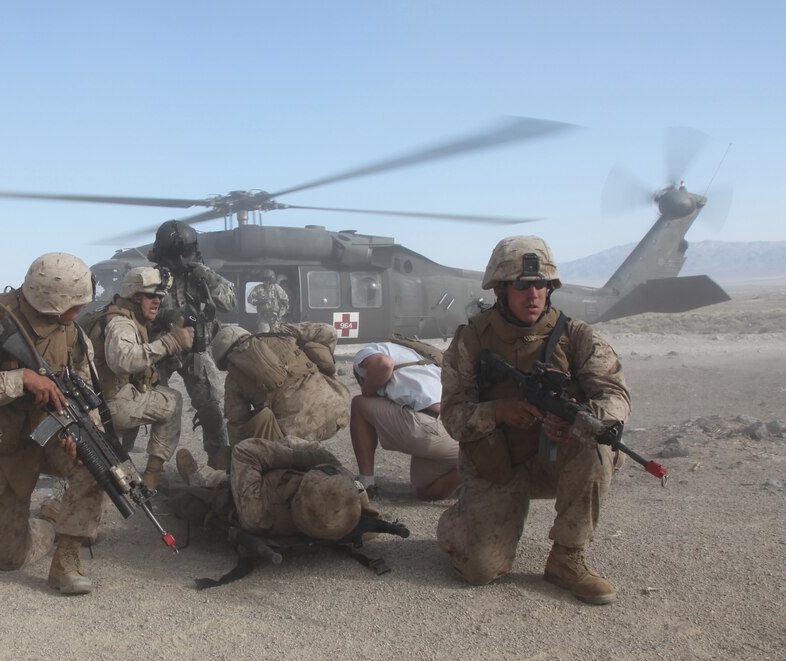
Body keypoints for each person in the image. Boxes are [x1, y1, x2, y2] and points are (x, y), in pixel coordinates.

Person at [436, 236, 631, 605]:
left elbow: (615, 394)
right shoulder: (472, 339)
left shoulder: (576, 335)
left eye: (541, 284)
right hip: (498, 464)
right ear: (501, 289)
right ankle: (461, 520)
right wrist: (498, 411)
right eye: (522, 285)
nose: (534, 294)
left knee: (599, 444)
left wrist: (580, 421)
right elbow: (452, 417)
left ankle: (567, 557)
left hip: (555, 460)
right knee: (479, 569)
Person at [0, 252, 105, 595]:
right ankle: (48, 519)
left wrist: (80, 433)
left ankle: (66, 558)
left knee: (98, 461)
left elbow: (84, 393)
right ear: (52, 302)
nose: (81, 312)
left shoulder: (74, 334)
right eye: (75, 306)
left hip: (46, 433)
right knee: (7, 559)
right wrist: (22, 380)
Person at [81, 266, 194, 490]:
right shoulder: (121, 323)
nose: (157, 302)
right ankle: (153, 474)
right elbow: (124, 361)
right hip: (109, 404)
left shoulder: (115, 314)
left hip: (98, 401)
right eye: (151, 296)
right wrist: (169, 343)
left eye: (160, 297)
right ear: (134, 297)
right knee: (173, 400)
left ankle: (116, 468)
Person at [148, 219, 236, 468]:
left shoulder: (201, 275)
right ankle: (146, 468)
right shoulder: (151, 278)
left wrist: (207, 277)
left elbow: (229, 304)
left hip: (195, 351)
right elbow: (136, 313)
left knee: (211, 410)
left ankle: (218, 462)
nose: (180, 261)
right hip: (160, 351)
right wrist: (168, 316)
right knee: (151, 406)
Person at [175, 438, 376, 541]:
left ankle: (199, 474)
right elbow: (364, 509)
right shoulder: (345, 501)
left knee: (215, 484)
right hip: (283, 478)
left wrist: (299, 458)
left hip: (248, 489)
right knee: (295, 444)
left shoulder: (259, 515)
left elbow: (245, 452)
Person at [350, 341, 462, 501]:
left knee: (359, 404)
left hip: (426, 426)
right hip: (452, 434)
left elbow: (383, 364)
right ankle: (468, 471)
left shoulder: (372, 351)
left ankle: (366, 483)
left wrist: (367, 390)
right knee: (425, 491)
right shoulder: (423, 362)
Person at [211, 322, 349, 446]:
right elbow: (328, 331)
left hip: (298, 434)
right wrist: (323, 367)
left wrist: (239, 454)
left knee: (259, 425)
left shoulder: (233, 378)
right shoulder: (282, 334)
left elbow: (237, 423)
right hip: (338, 408)